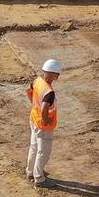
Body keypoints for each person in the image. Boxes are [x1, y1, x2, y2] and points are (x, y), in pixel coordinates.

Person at [26, 58, 61, 187]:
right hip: (43, 125)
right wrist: (46, 120)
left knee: (34, 147)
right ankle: (39, 178)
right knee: (43, 152)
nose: (58, 75)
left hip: (33, 119)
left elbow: (28, 91)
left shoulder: (37, 81)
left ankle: (31, 171)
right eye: (57, 73)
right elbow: (46, 107)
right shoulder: (49, 92)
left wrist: (36, 107)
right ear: (52, 73)